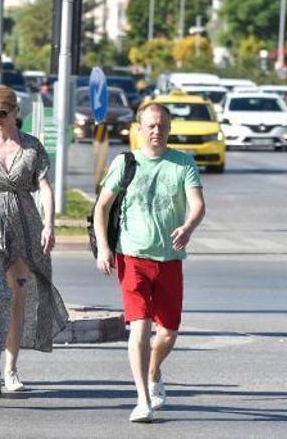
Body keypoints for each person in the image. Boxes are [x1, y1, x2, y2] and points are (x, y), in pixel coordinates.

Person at [94, 102, 205, 423]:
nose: (156, 131)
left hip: (169, 260)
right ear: (139, 129)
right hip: (132, 256)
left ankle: (154, 371)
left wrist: (188, 226)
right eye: (151, 125)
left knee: (168, 333)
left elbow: (197, 204)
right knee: (140, 328)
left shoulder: (182, 163)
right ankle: (142, 398)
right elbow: (102, 207)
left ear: (170, 129)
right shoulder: (125, 163)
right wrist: (104, 247)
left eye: (162, 126)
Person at [0, 85, 68, 395]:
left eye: (2, 113)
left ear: (15, 113)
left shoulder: (32, 148)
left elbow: (45, 188)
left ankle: (11, 369)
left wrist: (49, 226)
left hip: (25, 230)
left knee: (17, 300)